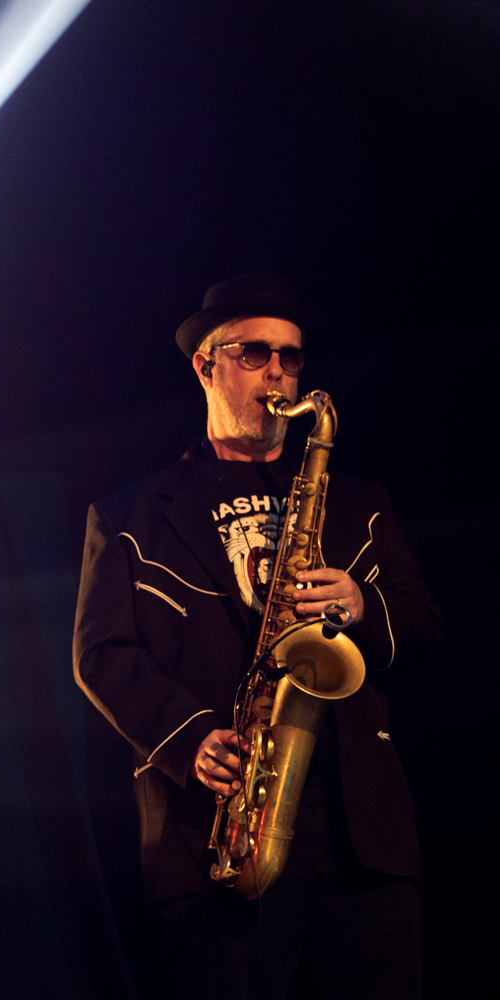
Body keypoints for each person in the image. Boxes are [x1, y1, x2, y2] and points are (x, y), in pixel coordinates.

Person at [72, 274, 441, 999]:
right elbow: (102, 655)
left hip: (361, 840)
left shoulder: (360, 504)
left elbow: (425, 626)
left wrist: (361, 605)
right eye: (253, 353)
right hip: (218, 833)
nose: (276, 373)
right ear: (205, 366)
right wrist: (189, 739)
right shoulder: (130, 516)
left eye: (290, 357)